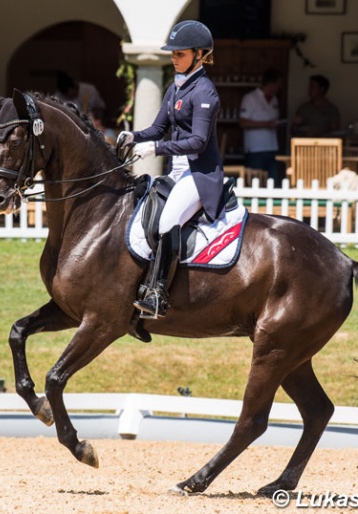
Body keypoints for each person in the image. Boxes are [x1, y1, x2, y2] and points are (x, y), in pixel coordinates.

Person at [117, 20, 224, 319]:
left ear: (200, 54)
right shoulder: (175, 87)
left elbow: (199, 142)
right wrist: (134, 136)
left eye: (180, 53)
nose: (174, 58)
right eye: (173, 53)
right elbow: (158, 127)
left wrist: (157, 148)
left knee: (166, 222)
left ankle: (157, 293)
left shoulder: (205, 92)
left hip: (199, 176)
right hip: (176, 172)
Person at [239, 68, 284, 185]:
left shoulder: (274, 99)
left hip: (272, 147)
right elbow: (243, 122)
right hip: (255, 149)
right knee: (255, 184)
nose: (280, 87)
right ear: (271, 83)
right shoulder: (250, 98)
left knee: (273, 184)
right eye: (279, 84)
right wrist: (266, 124)